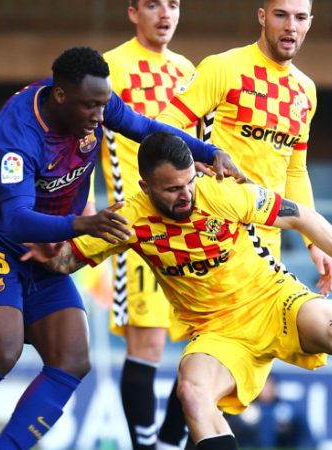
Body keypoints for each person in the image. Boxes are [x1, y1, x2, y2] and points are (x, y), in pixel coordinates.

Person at [0, 47, 244, 450]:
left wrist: (209, 153)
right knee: (2, 351)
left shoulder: (94, 102)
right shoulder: (19, 131)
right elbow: (16, 219)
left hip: (48, 247)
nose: (99, 116)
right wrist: (83, 225)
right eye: (90, 107)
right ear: (60, 96)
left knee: (72, 360)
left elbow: (146, 128)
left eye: (103, 105)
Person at [30, 132, 332, 450]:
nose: (186, 195)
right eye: (172, 190)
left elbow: (302, 217)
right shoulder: (127, 220)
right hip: (219, 333)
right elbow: (63, 262)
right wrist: (33, 239)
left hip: (274, 301)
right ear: (146, 187)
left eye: (189, 182)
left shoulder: (222, 193)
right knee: (191, 392)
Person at [156, 0, 332, 294]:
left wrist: (313, 241)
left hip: (267, 240)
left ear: (309, 23)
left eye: (300, 18)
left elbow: (295, 171)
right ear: (262, 17)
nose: (291, 26)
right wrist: (193, 157)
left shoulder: (306, 90)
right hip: (216, 232)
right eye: (281, 15)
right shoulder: (223, 67)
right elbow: (166, 123)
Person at [101, 1, 194, 448]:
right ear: (132, 11)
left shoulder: (188, 71)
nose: (165, 13)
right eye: (153, 4)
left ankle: (171, 443)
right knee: (149, 346)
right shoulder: (109, 67)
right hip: (134, 228)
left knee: (203, 345)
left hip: (189, 227)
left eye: (173, 4)